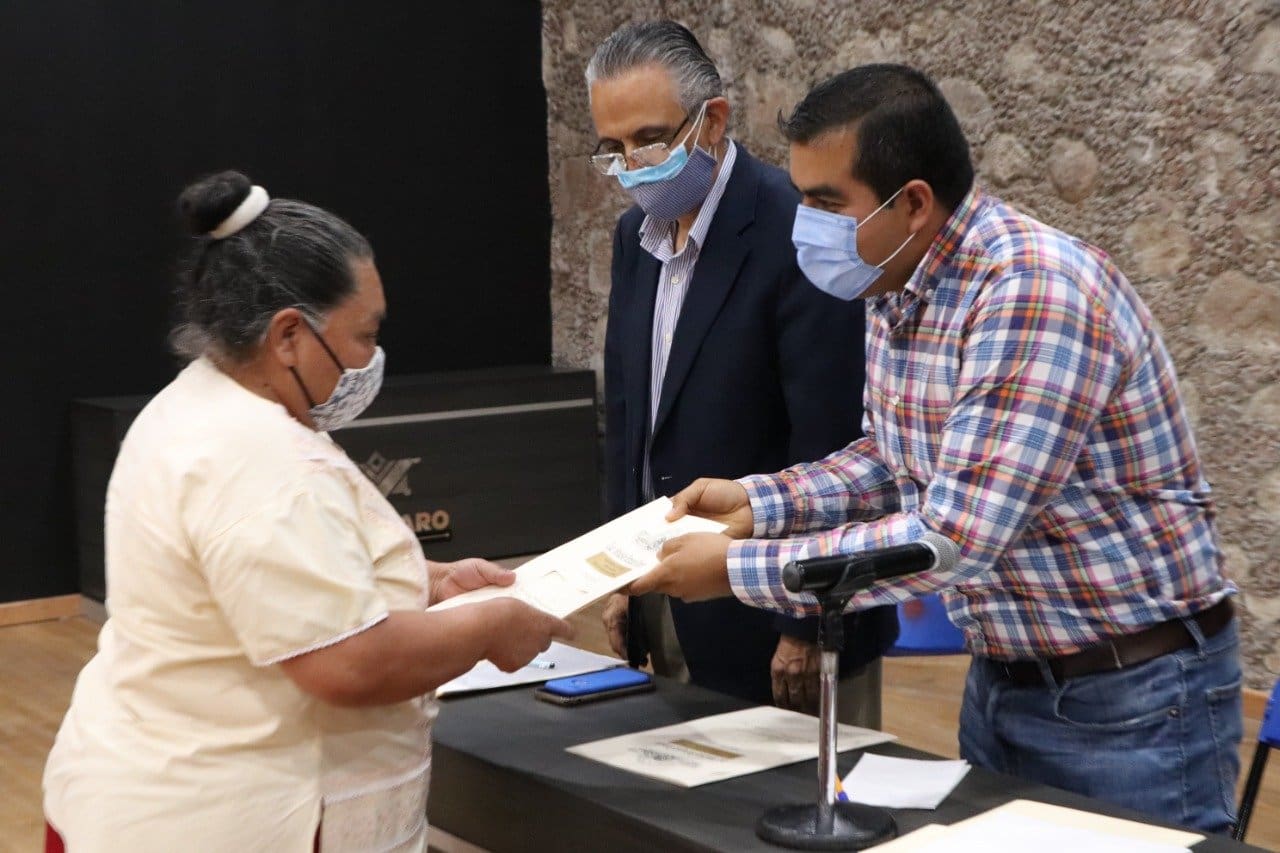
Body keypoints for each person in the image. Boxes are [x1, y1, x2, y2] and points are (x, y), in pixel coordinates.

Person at [631, 64, 1242, 834]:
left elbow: (951, 538)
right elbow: (892, 460)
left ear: (914, 203)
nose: (803, 225)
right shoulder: (896, 280)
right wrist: (759, 502)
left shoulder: (1030, 292)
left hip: (1130, 698)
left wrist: (733, 569)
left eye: (826, 203)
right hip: (1005, 678)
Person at [42, 171, 573, 852]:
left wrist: (429, 582)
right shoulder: (263, 460)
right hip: (222, 820)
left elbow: (260, 585)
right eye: (364, 335)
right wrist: (488, 627)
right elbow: (348, 664)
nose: (371, 360)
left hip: (135, 789)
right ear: (289, 335)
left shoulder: (199, 401)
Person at [585, 21, 896, 724]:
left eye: (650, 140)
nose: (633, 166)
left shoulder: (797, 231)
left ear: (714, 120)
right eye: (614, 149)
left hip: (778, 614)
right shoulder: (633, 239)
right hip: (665, 594)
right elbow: (632, 418)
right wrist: (619, 574)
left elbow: (832, 438)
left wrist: (804, 619)